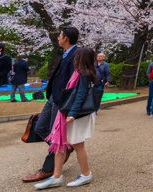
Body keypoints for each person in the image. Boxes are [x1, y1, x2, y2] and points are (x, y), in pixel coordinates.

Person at [34, 47, 97, 190]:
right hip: (72, 113)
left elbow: (80, 95)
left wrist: (72, 114)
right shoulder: (80, 72)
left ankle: (86, 174)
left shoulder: (83, 74)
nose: (74, 58)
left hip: (78, 114)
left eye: (77, 56)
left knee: (78, 144)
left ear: (81, 58)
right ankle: (56, 176)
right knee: (61, 142)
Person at [23, 27, 79, 183]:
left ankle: (48, 170)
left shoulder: (76, 54)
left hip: (62, 99)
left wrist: (68, 103)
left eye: (60, 36)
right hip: (53, 97)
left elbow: (76, 81)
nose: (58, 38)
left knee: (56, 135)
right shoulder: (66, 53)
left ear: (66, 38)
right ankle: (64, 147)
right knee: (40, 127)